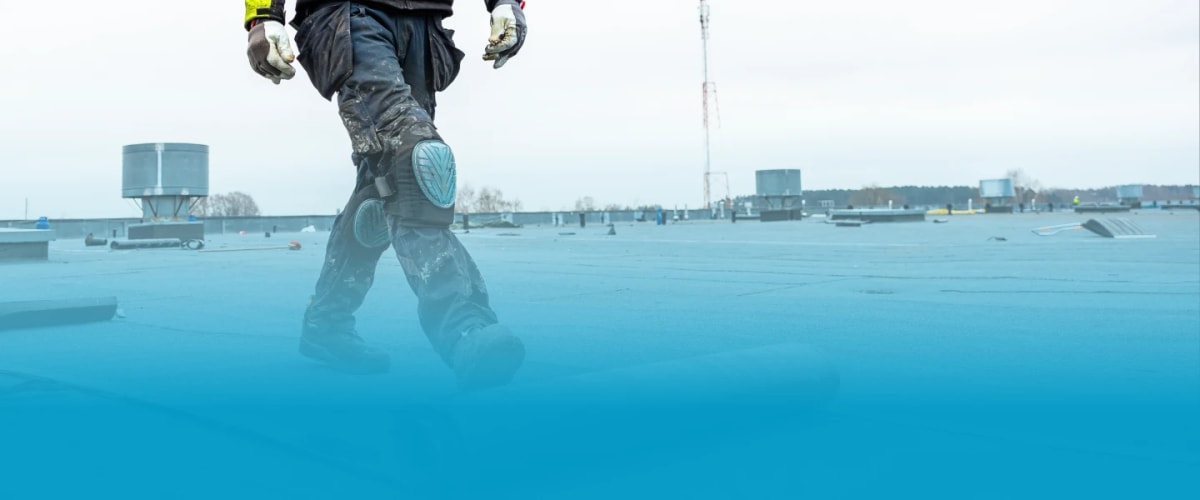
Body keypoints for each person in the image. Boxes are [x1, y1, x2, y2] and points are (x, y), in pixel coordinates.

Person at [242, 0, 528, 390]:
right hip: (350, 16)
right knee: (416, 159)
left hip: (423, 26)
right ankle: (462, 324)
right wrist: (263, 15)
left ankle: (326, 323)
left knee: (378, 197)